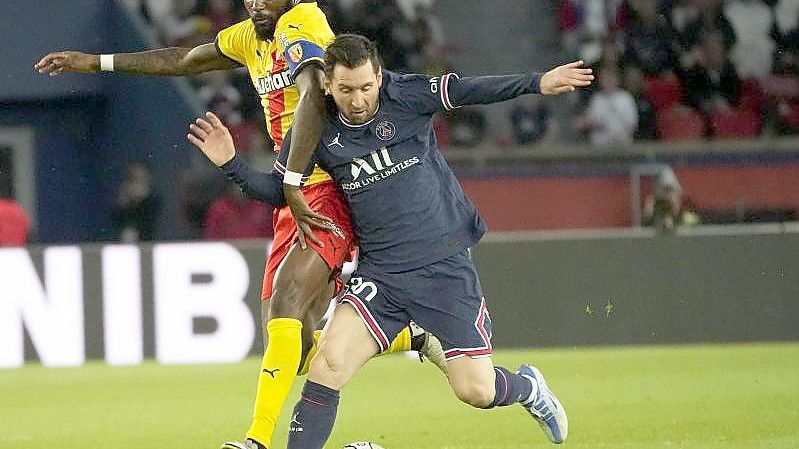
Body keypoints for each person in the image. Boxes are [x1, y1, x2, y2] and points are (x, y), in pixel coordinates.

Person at [34, 3, 443, 449]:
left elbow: (312, 94)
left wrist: (289, 179)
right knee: (295, 347)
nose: (256, 3)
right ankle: (410, 334)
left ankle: (257, 441)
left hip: (330, 185)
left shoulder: (301, 21)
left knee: (287, 303)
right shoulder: (249, 36)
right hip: (295, 192)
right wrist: (97, 62)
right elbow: (183, 60)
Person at [188, 34, 594, 448]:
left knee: (476, 390)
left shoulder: (407, 94)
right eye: (346, 89)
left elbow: (471, 89)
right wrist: (231, 163)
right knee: (326, 365)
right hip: (380, 272)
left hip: (442, 265)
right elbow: (280, 190)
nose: (359, 99)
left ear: (379, 76)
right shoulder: (313, 126)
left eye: (366, 86)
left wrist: (537, 81)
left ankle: (527, 389)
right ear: (327, 84)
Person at [112, 163, 161, 242]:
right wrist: (126, 202)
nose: (137, 185)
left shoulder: (154, 202)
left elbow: (149, 225)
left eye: (141, 180)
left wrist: (141, 201)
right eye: (134, 180)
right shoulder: (122, 203)